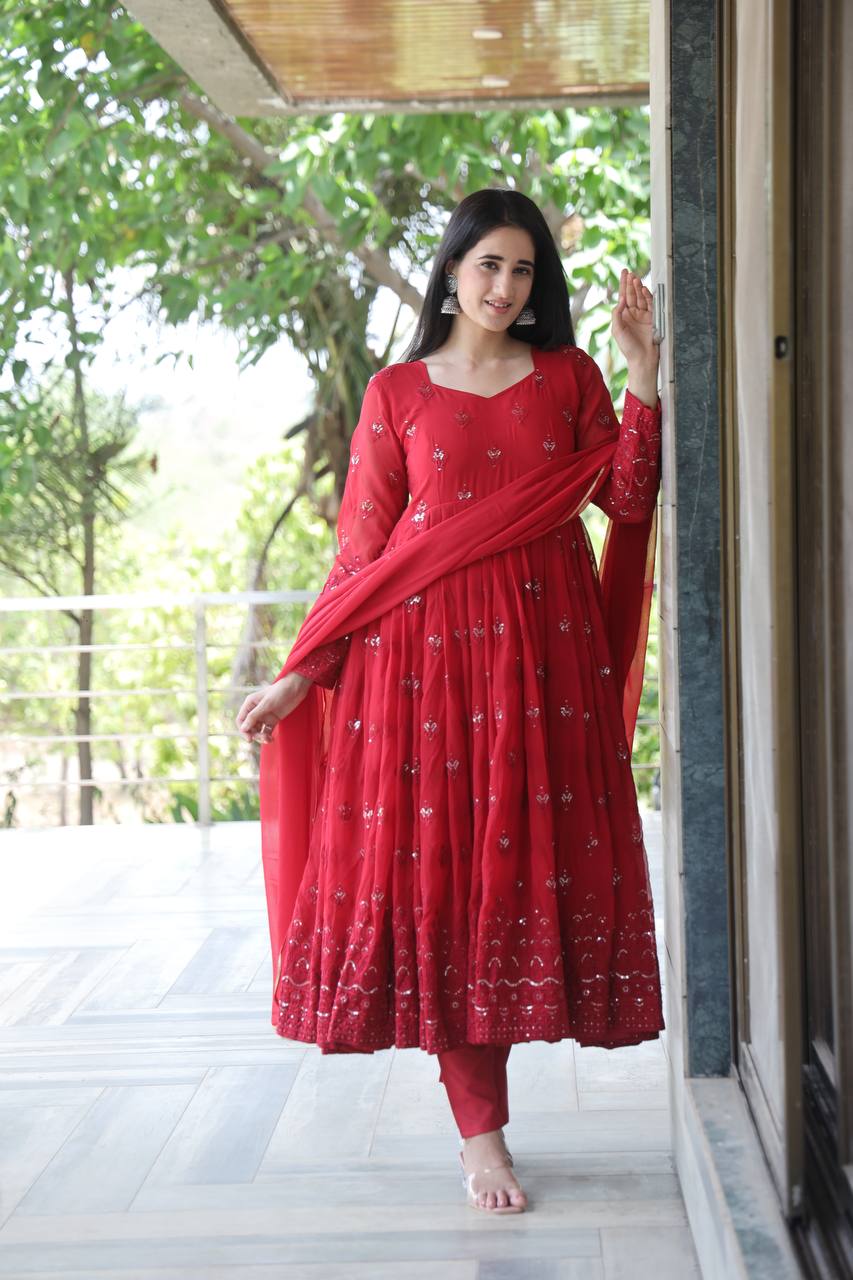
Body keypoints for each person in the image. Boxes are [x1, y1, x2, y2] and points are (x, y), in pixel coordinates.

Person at [236, 188, 664, 1215]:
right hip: (418, 673)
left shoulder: (568, 377)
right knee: (443, 885)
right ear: (451, 271)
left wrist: (641, 373)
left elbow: (627, 497)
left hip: (542, 671)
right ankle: (482, 1136)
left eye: (522, 270)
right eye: (487, 266)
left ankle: (488, 1118)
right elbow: (361, 551)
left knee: (510, 880)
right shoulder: (396, 393)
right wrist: (302, 670)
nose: (503, 287)